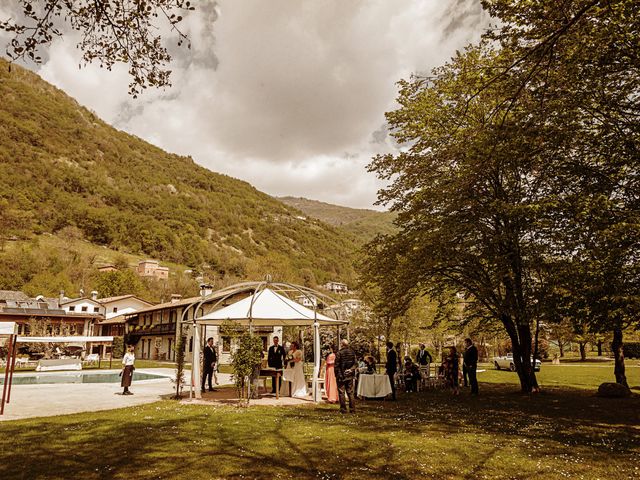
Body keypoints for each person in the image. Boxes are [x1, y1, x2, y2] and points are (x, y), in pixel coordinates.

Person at [334, 339, 357, 413]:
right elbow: (356, 363)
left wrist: (337, 375)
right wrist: (351, 369)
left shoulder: (339, 353)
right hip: (350, 375)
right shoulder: (352, 352)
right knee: (350, 392)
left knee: (341, 392)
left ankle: (343, 409)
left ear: (342, 344)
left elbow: (336, 366)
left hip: (341, 375)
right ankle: (352, 409)